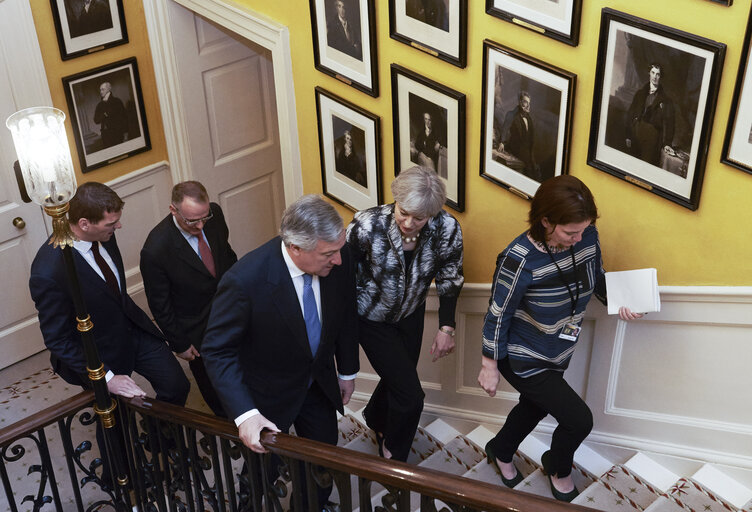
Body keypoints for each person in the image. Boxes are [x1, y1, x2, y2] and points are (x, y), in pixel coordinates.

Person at [477, 175, 641, 502]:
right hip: (521, 354)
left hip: (557, 348)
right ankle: (558, 466)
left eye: (584, 229)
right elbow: (499, 311)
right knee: (578, 420)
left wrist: (621, 300)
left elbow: (594, 277)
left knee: (535, 406)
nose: (579, 238)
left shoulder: (586, 235)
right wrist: (489, 365)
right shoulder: (519, 258)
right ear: (546, 221)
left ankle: (501, 448)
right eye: (570, 233)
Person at [202, 194, 359, 507]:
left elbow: (345, 314)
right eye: (328, 254)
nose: (338, 260)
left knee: (323, 460)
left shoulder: (338, 255)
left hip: (318, 386)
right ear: (295, 247)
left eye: (338, 250)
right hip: (266, 394)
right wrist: (246, 415)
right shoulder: (245, 280)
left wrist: (347, 371)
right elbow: (217, 350)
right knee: (262, 469)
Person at [29, 182, 190, 486]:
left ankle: (157, 437)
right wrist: (106, 378)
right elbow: (58, 340)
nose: (118, 227)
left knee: (176, 384)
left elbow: (112, 291)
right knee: (114, 422)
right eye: (111, 223)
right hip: (97, 353)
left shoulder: (104, 235)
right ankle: (122, 482)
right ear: (84, 224)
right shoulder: (48, 271)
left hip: (131, 329)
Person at [346, 166, 464, 461]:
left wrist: (446, 327)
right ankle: (394, 455)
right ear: (394, 200)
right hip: (371, 317)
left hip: (412, 312)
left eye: (420, 217)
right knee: (411, 396)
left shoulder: (447, 229)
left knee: (398, 379)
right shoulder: (365, 226)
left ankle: (375, 417)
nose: (410, 223)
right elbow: (344, 277)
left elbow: (450, 277)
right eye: (404, 212)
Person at [140, 181, 237, 417]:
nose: (201, 225)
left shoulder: (215, 213)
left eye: (205, 217)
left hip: (230, 307)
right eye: (192, 221)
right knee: (214, 384)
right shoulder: (156, 249)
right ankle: (229, 428)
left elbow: (227, 255)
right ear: (173, 210)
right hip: (196, 326)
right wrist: (179, 343)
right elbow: (160, 305)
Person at [625, 63, 676, 166]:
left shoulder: (666, 101)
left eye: (658, 74)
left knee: (645, 166)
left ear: (660, 77)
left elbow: (670, 123)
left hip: (652, 138)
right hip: (636, 132)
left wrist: (667, 143)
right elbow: (630, 114)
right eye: (653, 73)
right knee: (631, 165)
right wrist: (628, 135)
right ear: (649, 73)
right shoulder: (640, 94)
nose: (655, 77)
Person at [498, 91, 541, 181]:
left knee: (535, 171)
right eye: (525, 102)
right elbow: (505, 129)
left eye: (529, 103)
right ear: (519, 102)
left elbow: (531, 138)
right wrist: (502, 142)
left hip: (528, 151)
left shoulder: (529, 118)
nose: (528, 106)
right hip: (516, 148)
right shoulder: (511, 114)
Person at [93, 82, 128, 149]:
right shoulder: (99, 105)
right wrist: (105, 114)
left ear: (109, 89)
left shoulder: (117, 101)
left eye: (103, 89)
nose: (101, 92)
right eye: (100, 90)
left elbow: (124, 118)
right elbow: (96, 120)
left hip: (117, 134)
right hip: (106, 136)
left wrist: (125, 133)